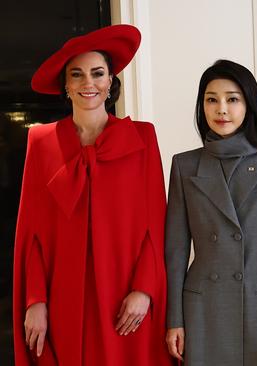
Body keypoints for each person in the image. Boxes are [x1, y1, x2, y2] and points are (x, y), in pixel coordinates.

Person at [13, 25, 172, 365]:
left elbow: (156, 222)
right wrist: (35, 299)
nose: (89, 83)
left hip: (126, 296)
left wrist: (145, 290)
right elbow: (32, 232)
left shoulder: (143, 137)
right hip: (64, 297)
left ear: (111, 82)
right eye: (77, 75)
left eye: (98, 73)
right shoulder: (41, 142)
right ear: (66, 85)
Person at [164, 59, 257, 365]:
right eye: (211, 100)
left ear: (249, 104)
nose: (221, 109)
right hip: (201, 307)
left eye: (232, 99)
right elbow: (175, 252)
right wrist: (174, 318)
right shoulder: (184, 165)